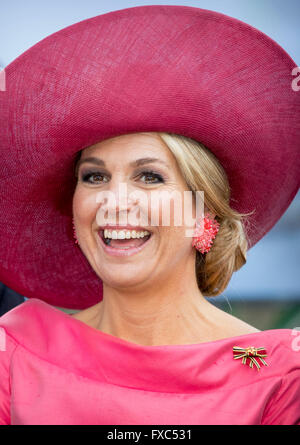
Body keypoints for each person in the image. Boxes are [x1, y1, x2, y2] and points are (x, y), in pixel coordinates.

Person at [0, 5, 299, 425]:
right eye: (94, 176)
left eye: (149, 177)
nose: (113, 201)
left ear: (204, 214)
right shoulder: (15, 346)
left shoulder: (280, 372)